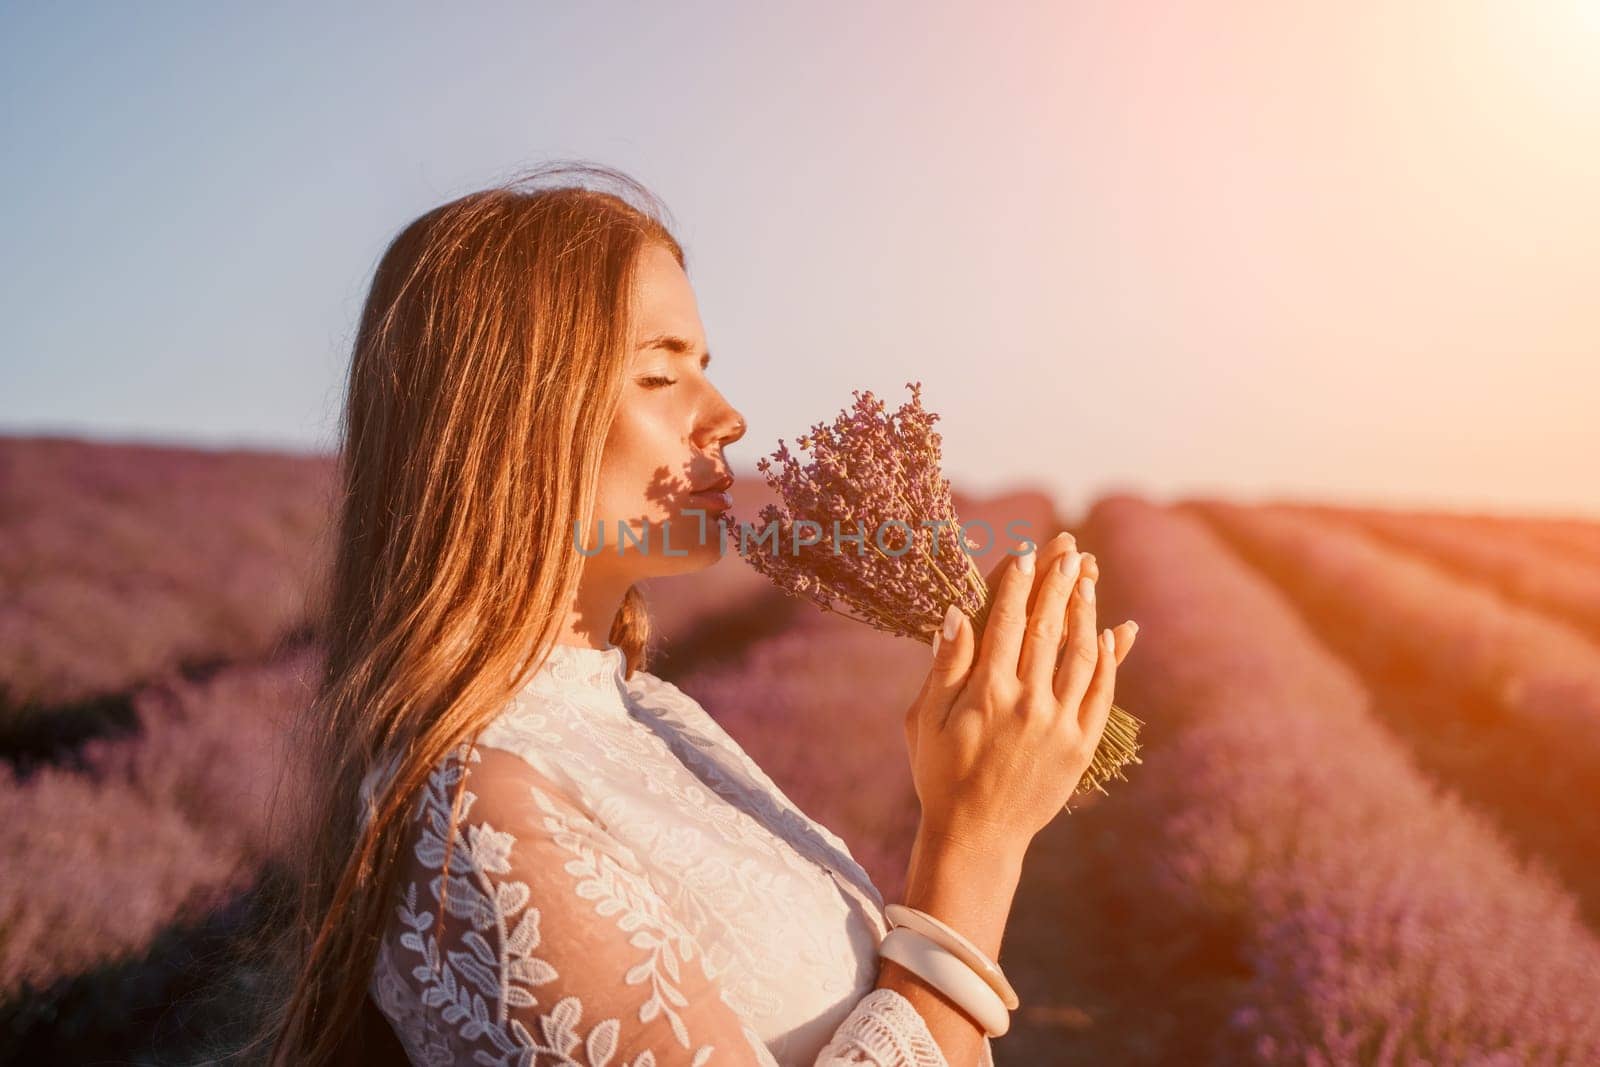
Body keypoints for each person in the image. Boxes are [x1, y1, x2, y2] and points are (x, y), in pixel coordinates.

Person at [261, 162, 1138, 1066]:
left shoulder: (650, 712)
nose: (727, 416)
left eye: (705, 366)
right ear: (509, 413)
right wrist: (974, 838)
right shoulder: (470, 813)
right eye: (658, 374)